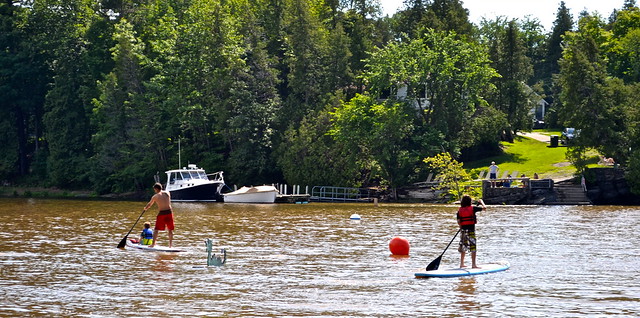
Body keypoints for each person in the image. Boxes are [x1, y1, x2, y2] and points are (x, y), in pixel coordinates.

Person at [457, 195, 486, 269]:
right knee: (473, 247)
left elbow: (459, 221)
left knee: (463, 246)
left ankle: (462, 264)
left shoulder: (460, 210)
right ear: (470, 202)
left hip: (463, 231)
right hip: (471, 230)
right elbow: (484, 208)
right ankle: (473, 265)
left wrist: (461, 228)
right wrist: (481, 202)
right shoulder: (473, 208)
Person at [143, 183, 174, 248]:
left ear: (156, 189)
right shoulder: (167, 193)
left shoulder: (155, 196)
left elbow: (149, 204)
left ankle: (153, 244)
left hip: (162, 214)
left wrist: (145, 208)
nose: (154, 191)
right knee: (170, 229)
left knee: (156, 229)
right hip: (169, 212)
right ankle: (170, 246)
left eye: (154, 189)